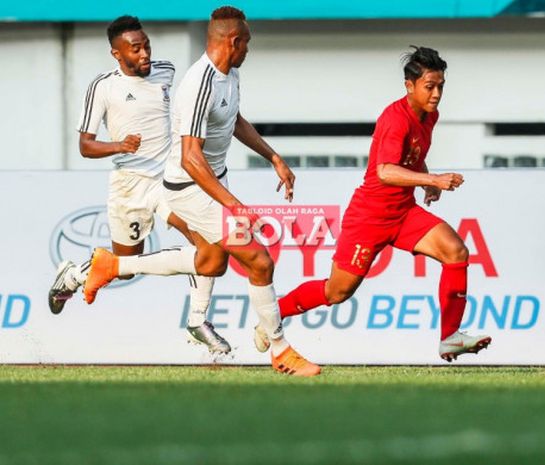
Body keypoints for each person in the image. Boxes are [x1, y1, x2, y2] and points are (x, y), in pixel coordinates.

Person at [82, 6, 321, 376]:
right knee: (259, 260)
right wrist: (235, 206)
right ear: (234, 41)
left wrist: (273, 156)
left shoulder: (231, 74)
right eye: (248, 43)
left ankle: (114, 264)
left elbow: (234, 119)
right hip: (190, 187)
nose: (249, 50)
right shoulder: (198, 82)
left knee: (211, 262)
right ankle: (279, 348)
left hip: (213, 182)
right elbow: (191, 157)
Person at [256, 46, 492, 362]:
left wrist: (423, 177)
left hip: (403, 212)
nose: (436, 94)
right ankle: (272, 317)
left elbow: (411, 156)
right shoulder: (396, 119)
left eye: (440, 86)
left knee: (456, 251)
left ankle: (450, 337)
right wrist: (433, 180)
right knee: (337, 292)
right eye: (429, 87)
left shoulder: (430, 115)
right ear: (410, 86)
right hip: (370, 216)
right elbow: (385, 171)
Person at [48, 15, 230, 354]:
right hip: (129, 186)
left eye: (146, 45)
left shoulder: (166, 71)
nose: (145, 53)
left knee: (207, 245)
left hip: (168, 181)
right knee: (126, 267)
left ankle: (198, 319)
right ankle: (73, 275)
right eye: (136, 49)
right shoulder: (103, 86)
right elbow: (85, 146)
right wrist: (119, 145)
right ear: (117, 54)